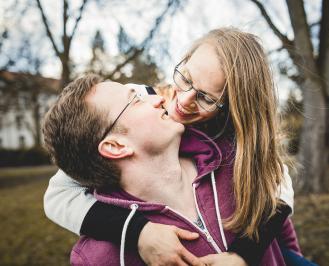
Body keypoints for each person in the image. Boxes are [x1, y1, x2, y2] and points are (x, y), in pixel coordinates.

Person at [43, 28, 303, 265]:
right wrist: (138, 231)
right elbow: (59, 192)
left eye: (205, 97)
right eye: (185, 78)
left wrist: (245, 254)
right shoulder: (142, 100)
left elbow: (276, 187)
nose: (183, 99)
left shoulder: (231, 144)